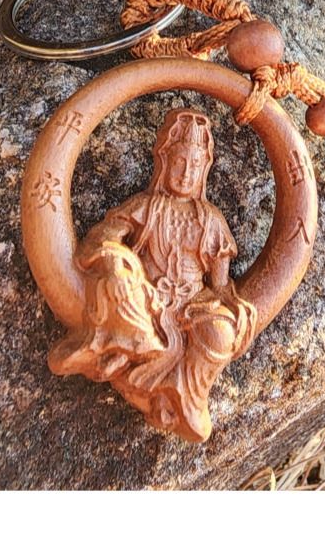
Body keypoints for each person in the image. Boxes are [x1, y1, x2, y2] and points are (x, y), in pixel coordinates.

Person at [49, 107, 257, 442]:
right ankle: (119, 348)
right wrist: (115, 260)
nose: (186, 173)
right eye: (179, 163)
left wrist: (227, 310)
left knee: (219, 331)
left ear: (205, 169)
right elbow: (100, 238)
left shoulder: (210, 220)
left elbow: (220, 285)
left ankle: (186, 397)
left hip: (191, 307)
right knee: (121, 282)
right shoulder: (147, 206)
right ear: (164, 160)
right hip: (147, 302)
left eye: (195, 165)